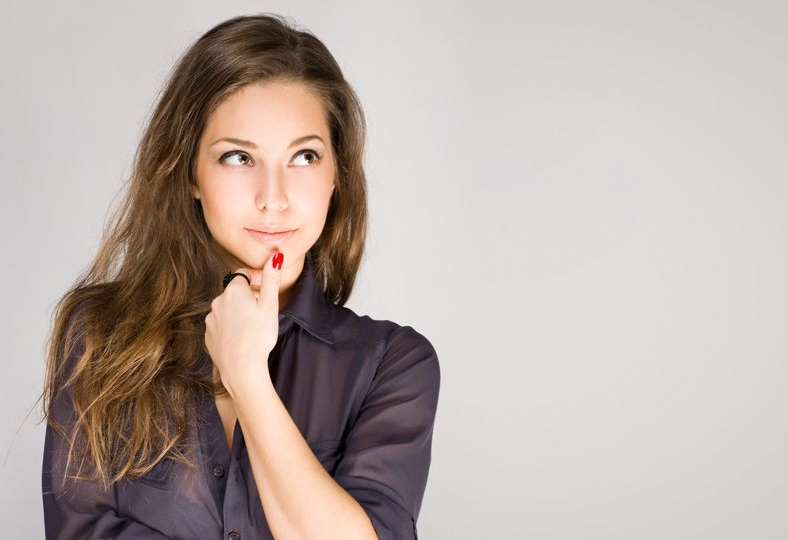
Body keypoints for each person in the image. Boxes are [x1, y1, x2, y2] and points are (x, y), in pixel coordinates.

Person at [40, 14, 440, 540]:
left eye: (303, 156)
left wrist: (247, 376)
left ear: (336, 175)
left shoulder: (391, 364)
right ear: (190, 175)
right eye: (237, 157)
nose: (272, 198)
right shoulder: (99, 335)